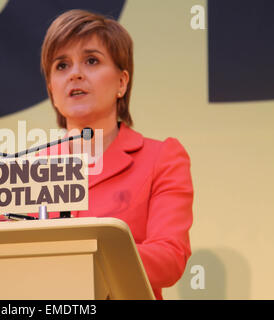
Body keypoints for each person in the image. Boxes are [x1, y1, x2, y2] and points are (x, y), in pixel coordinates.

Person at [39, 9, 194, 300]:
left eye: (92, 60)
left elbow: (170, 256)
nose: (75, 74)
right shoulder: (24, 170)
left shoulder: (161, 158)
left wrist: (83, 260)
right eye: (61, 65)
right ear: (51, 88)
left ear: (122, 82)